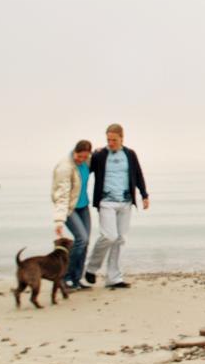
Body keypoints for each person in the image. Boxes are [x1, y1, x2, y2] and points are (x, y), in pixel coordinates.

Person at [83, 123, 149, 289]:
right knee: (108, 236)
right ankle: (91, 268)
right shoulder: (100, 155)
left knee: (120, 239)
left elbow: (138, 174)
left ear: (121, 138)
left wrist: (144, 195)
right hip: (106, 202)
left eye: (114, 140)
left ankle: (114, 278)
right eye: (108, 140)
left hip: (125, 202)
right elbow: (84, 169)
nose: (110, 143)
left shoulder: (130, 154)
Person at [51, 140, 93, 291]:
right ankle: (65, 277)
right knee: (81, 239)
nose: (81, 159)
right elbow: (61, 196)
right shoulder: (65, 167)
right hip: (69, 208)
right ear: (74, 152)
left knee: (85, 241)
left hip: (83, 207)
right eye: (79, 156)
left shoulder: (87, 161)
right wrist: (59, 220)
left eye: (84, 157)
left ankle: (76, 279)